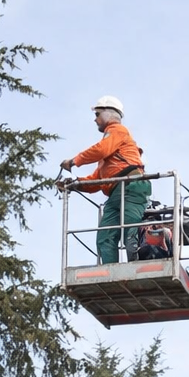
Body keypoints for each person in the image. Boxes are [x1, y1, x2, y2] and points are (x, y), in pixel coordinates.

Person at [59, 96, 150, 264]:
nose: (95, 119)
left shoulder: (117, 130)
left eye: (98, 114)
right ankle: (111, 269)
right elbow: (97, 180)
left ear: (109, 113)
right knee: (105, 235)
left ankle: (137, 264)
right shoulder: (109, 158)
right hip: (117, 190)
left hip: (131, 185)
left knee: (130, 229)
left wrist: (74, 161)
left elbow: (100, 149)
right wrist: (74, 184)